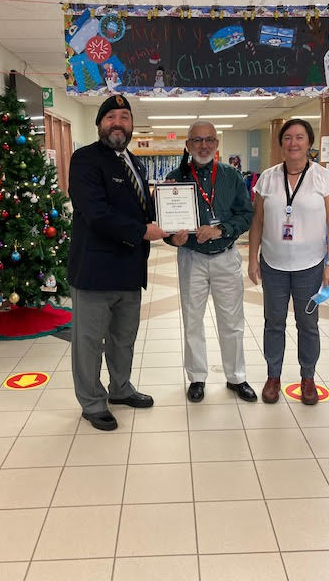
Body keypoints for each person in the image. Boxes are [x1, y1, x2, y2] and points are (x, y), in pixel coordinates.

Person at [68, 95, 168, 430]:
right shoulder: (85, 160)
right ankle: (92, 402)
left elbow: (144, 212)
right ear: (100, 123)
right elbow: (96, 213)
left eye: (124, 117)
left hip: (129, 269)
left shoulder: (135, 163)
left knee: (123, 338)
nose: (118, 123)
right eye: (111, 116)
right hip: (95, 271)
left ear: (131, 125)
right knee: (89, 342)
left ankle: (121, 389)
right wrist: (142, 230)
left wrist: (171, 229)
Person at [248, 119, 329, 405]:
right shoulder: (267, 177)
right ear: (281, 143)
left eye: (299, 137)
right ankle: (273, 376)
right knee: (273, 322)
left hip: (310, 266)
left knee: (307, 324)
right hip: (273, 264)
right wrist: (253, 258)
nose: (293, 143)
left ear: (309, 142)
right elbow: (258, 221)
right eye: (287, 137)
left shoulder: (323, 178)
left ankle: (308, 377)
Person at [165, 121, 256, 403]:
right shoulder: (175, 177)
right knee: (192, 320)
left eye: (209, 140)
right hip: (191, 257)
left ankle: (236, 377)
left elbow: (246, 215)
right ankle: (197, 377)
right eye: (197, 140)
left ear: (216, 144)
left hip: (225, 257)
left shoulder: (231, 176)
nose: (203, 145)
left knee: (232, 321)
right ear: (188, 145)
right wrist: (173, 239)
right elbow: (167, 224)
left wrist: (222, 230)